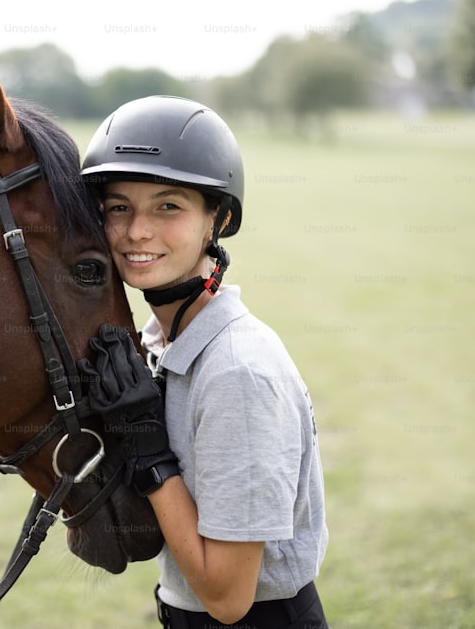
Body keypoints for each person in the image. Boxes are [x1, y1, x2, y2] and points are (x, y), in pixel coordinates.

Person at [77, 96, 329, 628]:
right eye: (119, 207)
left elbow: (228, 596)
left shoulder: (237, 371)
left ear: (220, 218)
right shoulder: (157, 345)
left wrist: (150, 452)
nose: (137, 231)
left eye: (168, 206)